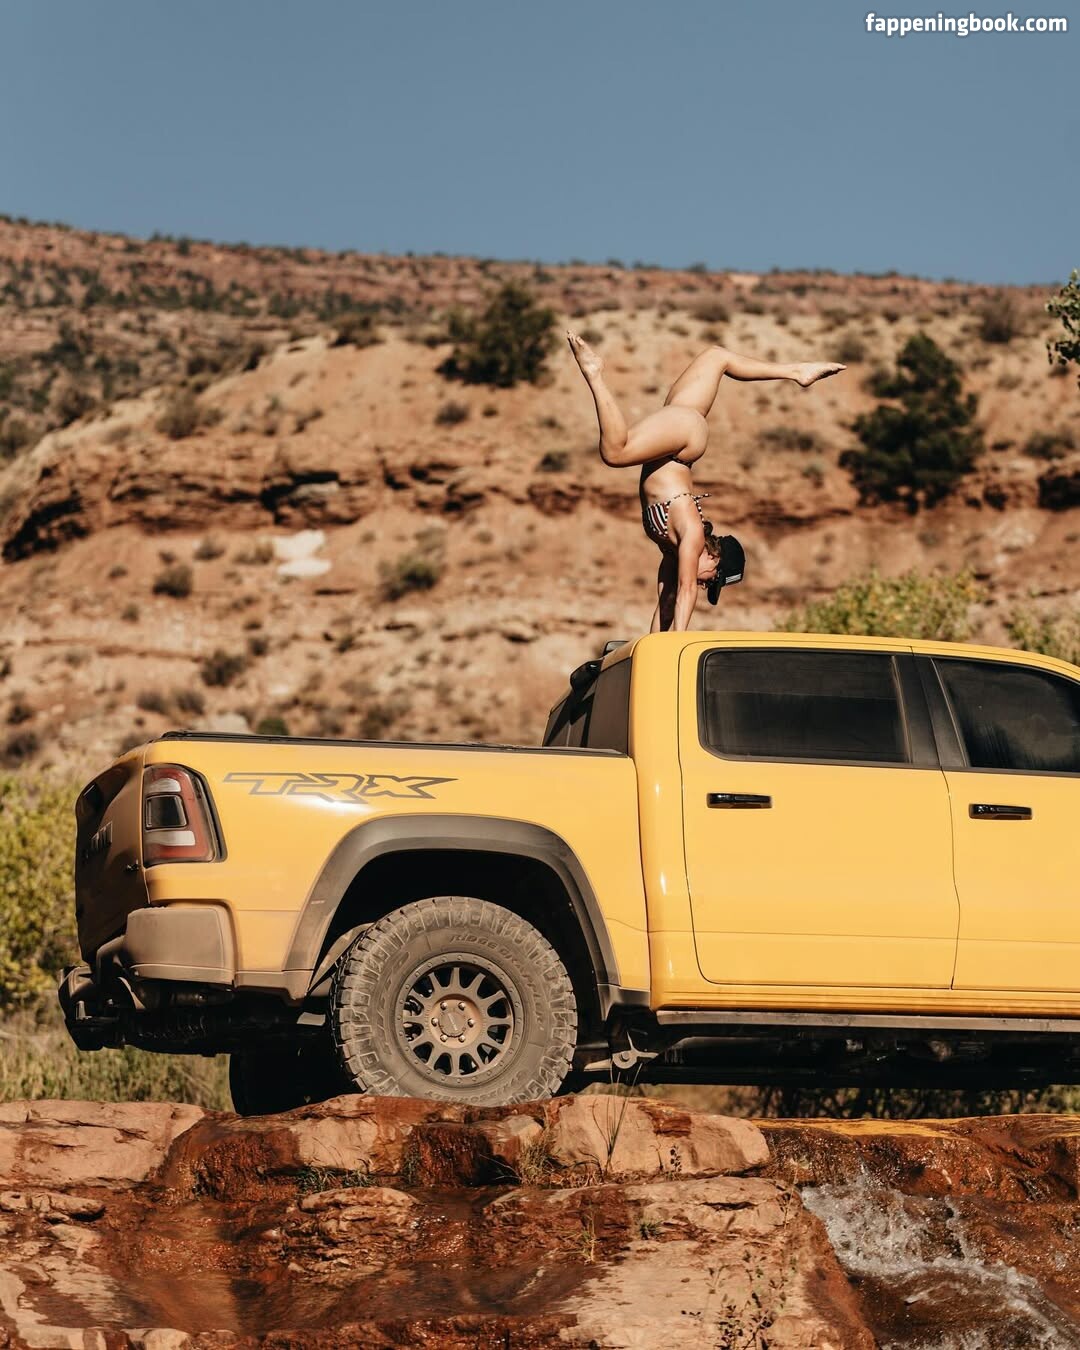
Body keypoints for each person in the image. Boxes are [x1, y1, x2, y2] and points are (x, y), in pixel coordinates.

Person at [567, 332, 845, 631]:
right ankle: (594, 373)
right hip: (683, 439)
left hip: (680, 432)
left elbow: (667, 600)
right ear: (714, 559)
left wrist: (657, 646)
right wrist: (679, 642)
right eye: (710, 581)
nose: (702, 585)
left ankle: (797, 371)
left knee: (716, 357)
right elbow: (686, 590)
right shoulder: (693, 536)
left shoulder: (672, 549)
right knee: (615, 452)